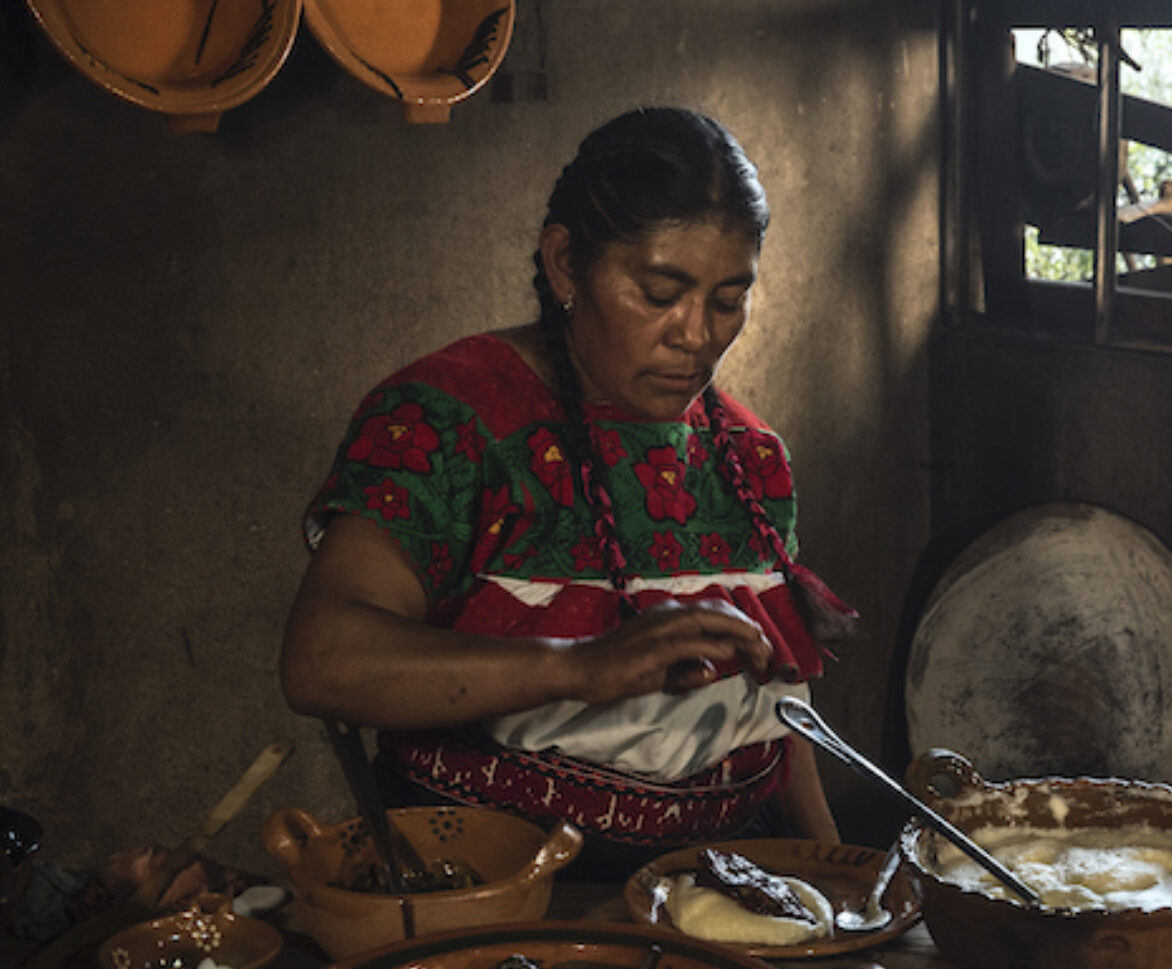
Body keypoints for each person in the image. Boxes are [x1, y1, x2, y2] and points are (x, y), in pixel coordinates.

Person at [280, 106, 856, 880]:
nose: (696, 335)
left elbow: (779, 713)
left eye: (728, 299)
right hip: (502, 889)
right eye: (659, 293)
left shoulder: (750, 456)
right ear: (563, 265)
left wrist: (838, 877)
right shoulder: (449, 421)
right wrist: (578, 667)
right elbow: (323, 660)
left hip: (728, 883)